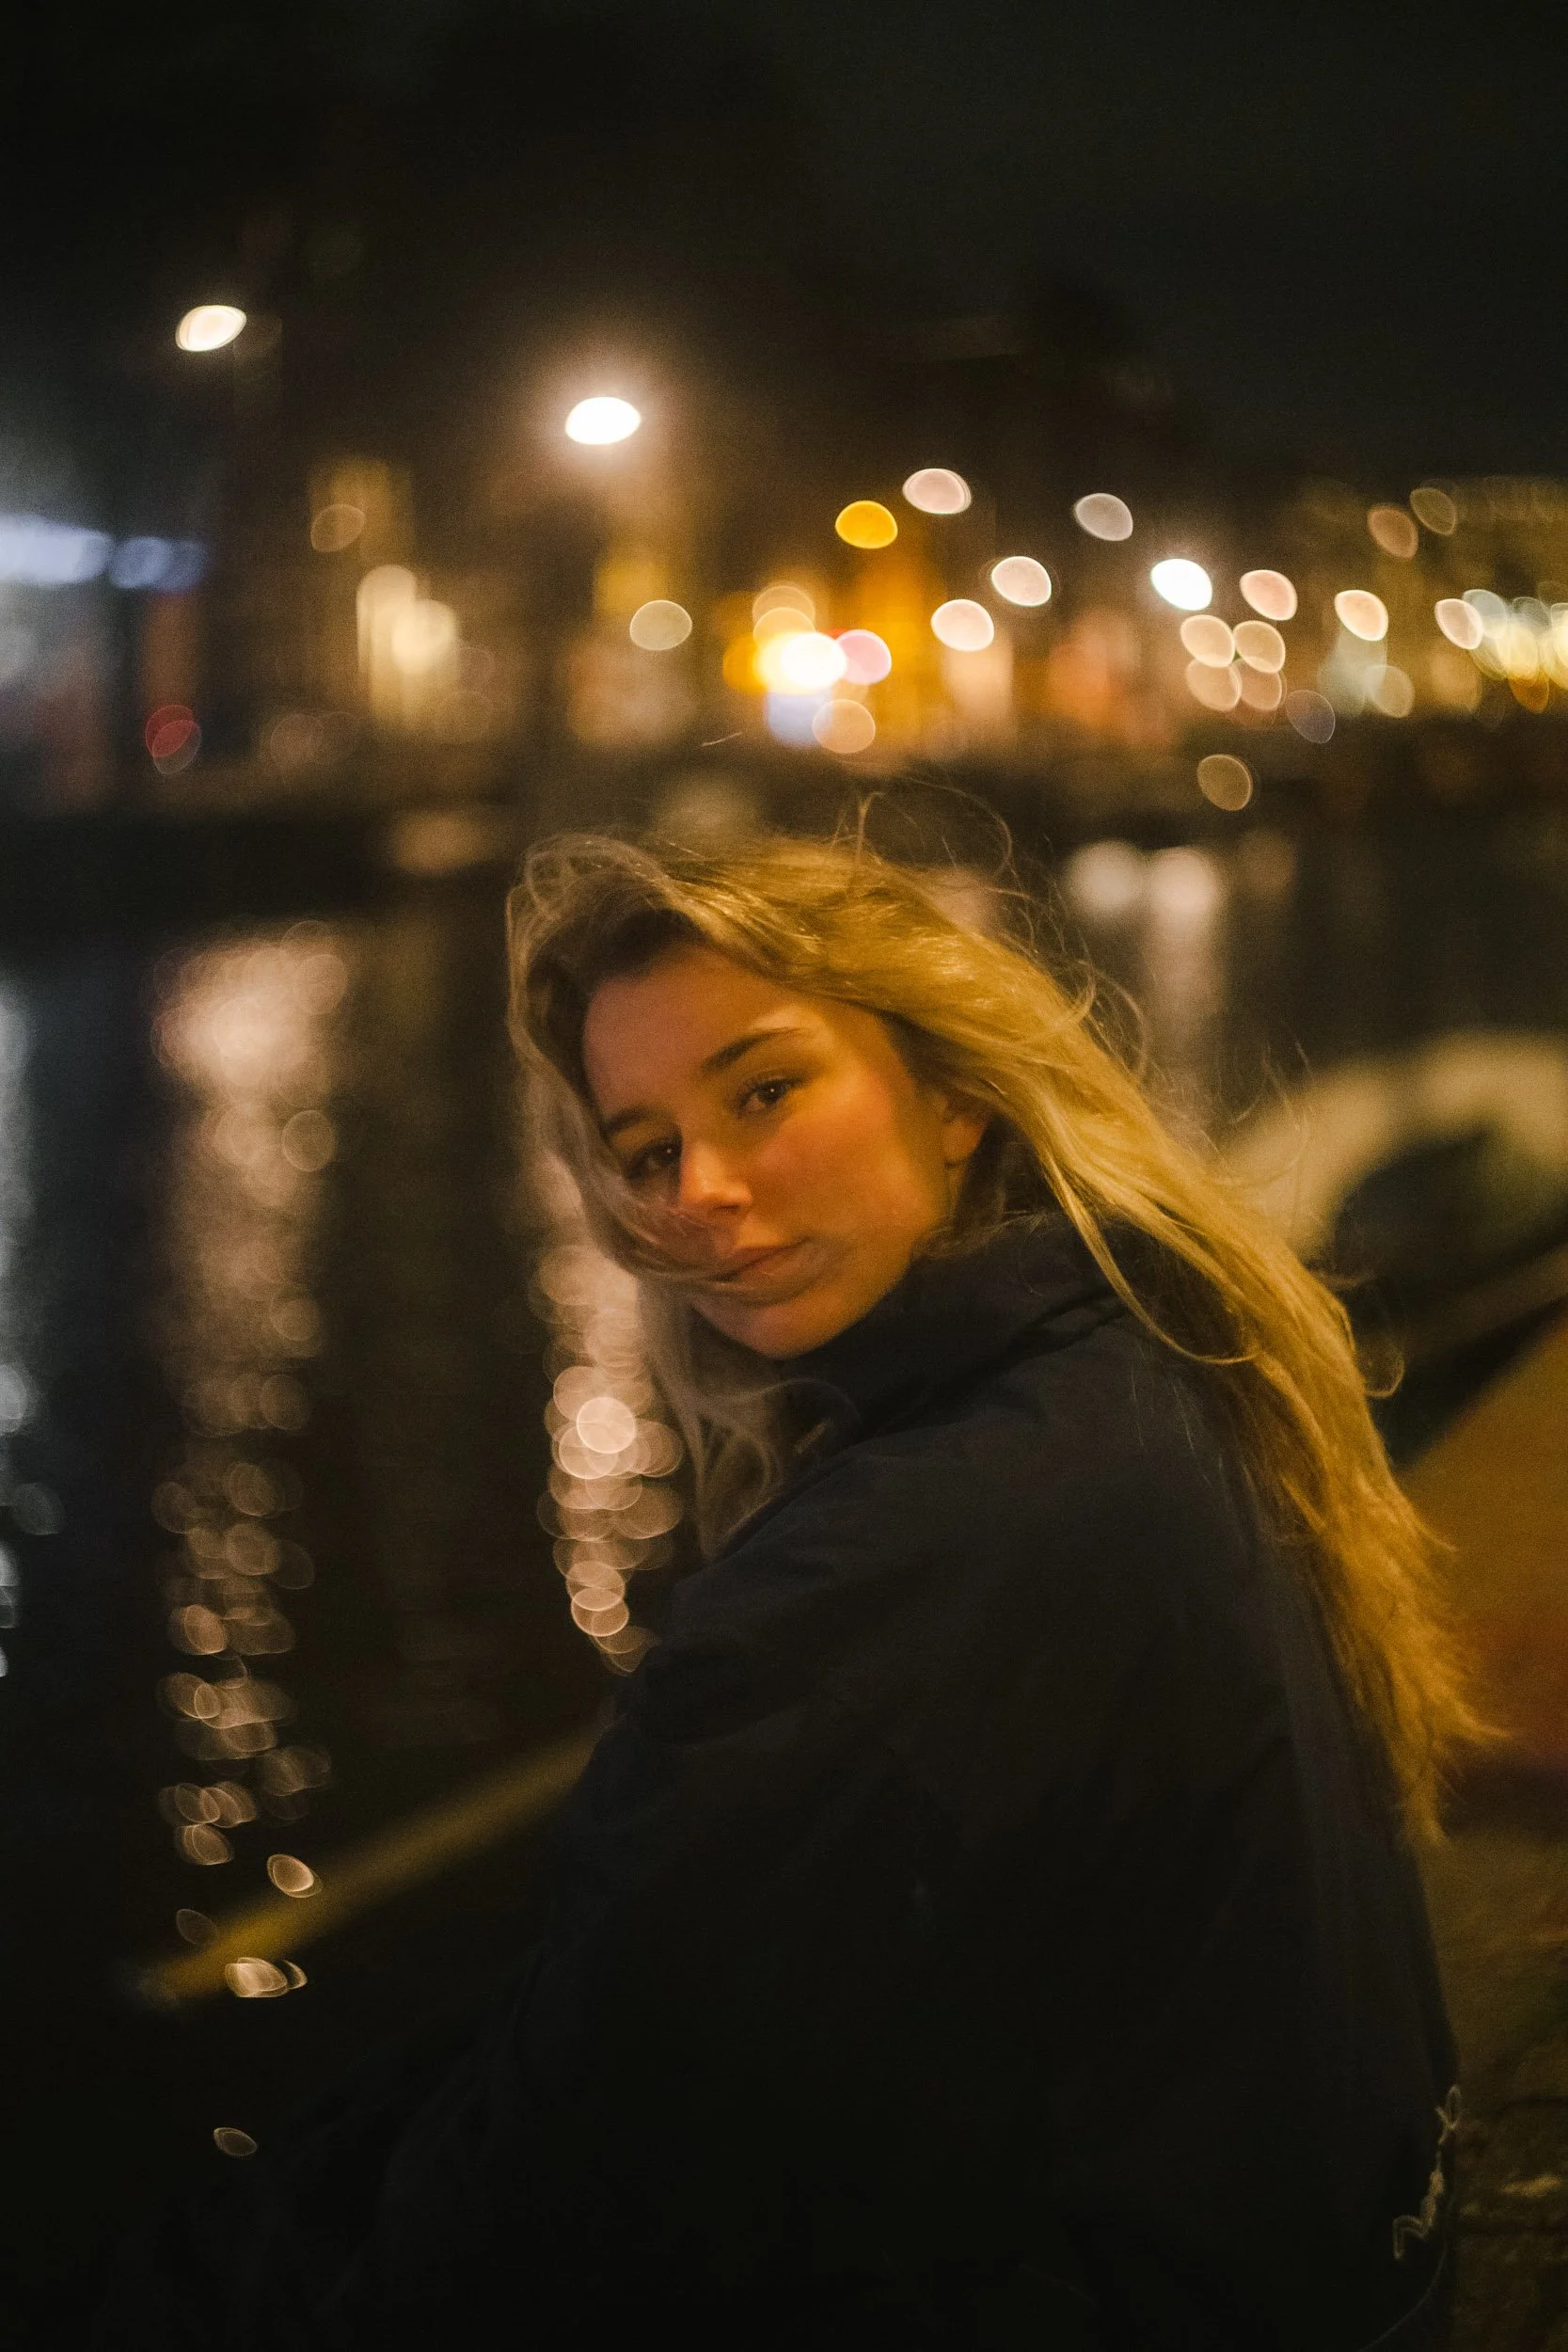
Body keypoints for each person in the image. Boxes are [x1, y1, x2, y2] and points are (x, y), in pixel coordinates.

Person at [98, 826, 1489, 2349]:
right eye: (644, 1151)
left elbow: (590, 2171)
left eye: (763, 1091)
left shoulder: (892, 1572)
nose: (699, 1188)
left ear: (948, 1090)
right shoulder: (1165, 1360)